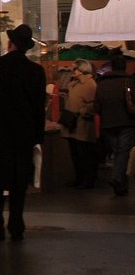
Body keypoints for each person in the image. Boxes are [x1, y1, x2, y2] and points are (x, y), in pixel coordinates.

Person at [0, 23, 46, 242]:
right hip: (23, 134)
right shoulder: (36, 71)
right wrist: (37, 135)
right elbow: (38, 107)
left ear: (10, 43)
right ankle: (16, 225)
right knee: (18, 183)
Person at [94, 53, 135, 196]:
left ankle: (121, 188)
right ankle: (116, 177)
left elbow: (96, 106)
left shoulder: (101, 83)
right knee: (123, 152)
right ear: (124, 66)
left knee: (118, 152)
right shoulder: (129, 81)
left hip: (107, 124)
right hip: (126, 123)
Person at [60, 59, 98, 189]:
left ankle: (87, 180)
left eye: (74, 69)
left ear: (82, 71)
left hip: (82, 124)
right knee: (75, 154)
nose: (72, 71)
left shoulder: (90, 85)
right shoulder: (74, 84)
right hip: (72, 123)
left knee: (84, 154)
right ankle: (79, 178)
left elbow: (94, 105)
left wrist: (81, 111)